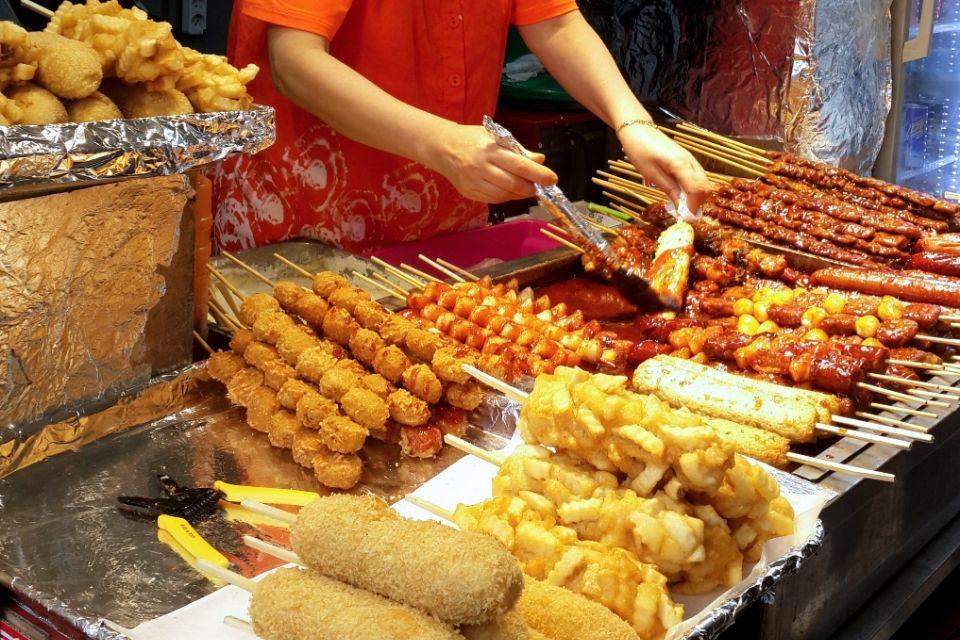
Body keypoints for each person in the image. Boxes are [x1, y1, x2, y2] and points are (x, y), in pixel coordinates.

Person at [214, 0, 712, 253]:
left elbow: (555, 22)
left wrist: (632, 123)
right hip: (309, 214)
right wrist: (445, 143)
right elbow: (294, 61)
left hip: (441, 205)